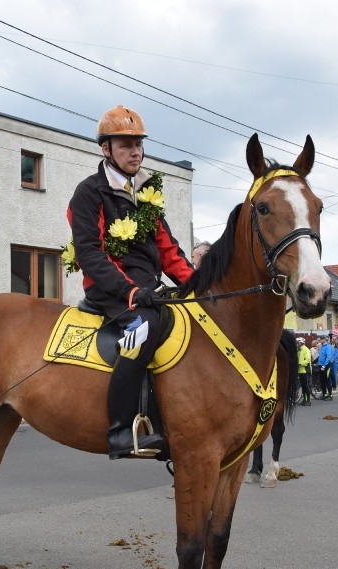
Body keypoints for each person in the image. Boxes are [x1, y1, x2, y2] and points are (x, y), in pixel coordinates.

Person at [67, 105, 193, 459]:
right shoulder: (89, 192)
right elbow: (90, 254)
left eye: (138, 144)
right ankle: (121, 431)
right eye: (125, 145)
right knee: (147, 326)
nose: (135, 151)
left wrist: (202, 288)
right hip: (111, 290)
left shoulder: (147, 191)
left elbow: (170, 252)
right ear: (106, 149)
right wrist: (131, 291)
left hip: (148, 287)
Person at [317, 336, 337, 400]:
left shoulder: (328, 346)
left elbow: (328, 357)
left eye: (322, 339)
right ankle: (324, 394)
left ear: (325, 340)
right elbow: (320, 356)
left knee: (327, 380)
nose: (320, 340)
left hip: (326, 366)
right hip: (321, 365)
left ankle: (330, 395)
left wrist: (324, 365)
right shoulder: (322, 346)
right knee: (322, 381)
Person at [297, 337, 312, 406]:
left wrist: (301, 363)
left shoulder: (306, 349)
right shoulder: (299, 350)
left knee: (306, 386)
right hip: (300, 371)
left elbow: (308, 360)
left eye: (297, 343)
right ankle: (304, 399)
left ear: (301, 343)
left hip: (306, 370)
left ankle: (308, 400)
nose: (297, 344)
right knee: (303, 386)